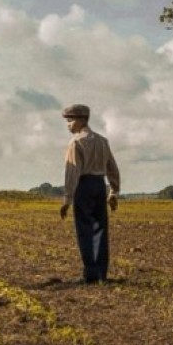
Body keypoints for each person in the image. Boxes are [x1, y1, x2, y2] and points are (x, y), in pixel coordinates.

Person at [59, 104, 120, 284]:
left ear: (81, 121)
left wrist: (67, 198)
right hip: (99, 185)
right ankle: (102, 272)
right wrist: (114, 190)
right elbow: (112, 167)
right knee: (100, 228)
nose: (68, 125)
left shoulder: (76, 142)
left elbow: (73, 172)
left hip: (83, 185)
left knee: (84, 229)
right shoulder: (102, 141)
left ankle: (91, 273)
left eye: (70, 121)